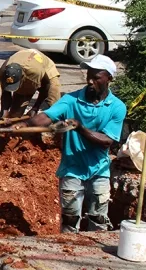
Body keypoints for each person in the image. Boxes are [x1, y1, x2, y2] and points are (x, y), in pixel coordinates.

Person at [19, 54, 126, 233]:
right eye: (88, 76)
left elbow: (107, 141)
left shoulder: (117, 107)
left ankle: (94, 257)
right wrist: (25, 124)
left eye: (96, 77)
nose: (90, 81)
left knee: (98, 220)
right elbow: (47, 116)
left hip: (99, 170)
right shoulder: (71, 100)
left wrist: (79, 128)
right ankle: (68, 253)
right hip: (72, 169)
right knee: (70, 220)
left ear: (109, 78)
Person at [0, 49, 61, 118]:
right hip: (24, 57)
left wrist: (35, 108)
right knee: (15, 114)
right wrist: (4, 113)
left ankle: (57, 122)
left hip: (46, 68)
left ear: (22, 77)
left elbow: (46, 86)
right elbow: (5, 94)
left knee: (54, 103)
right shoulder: (3, 72)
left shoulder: (35, 72)